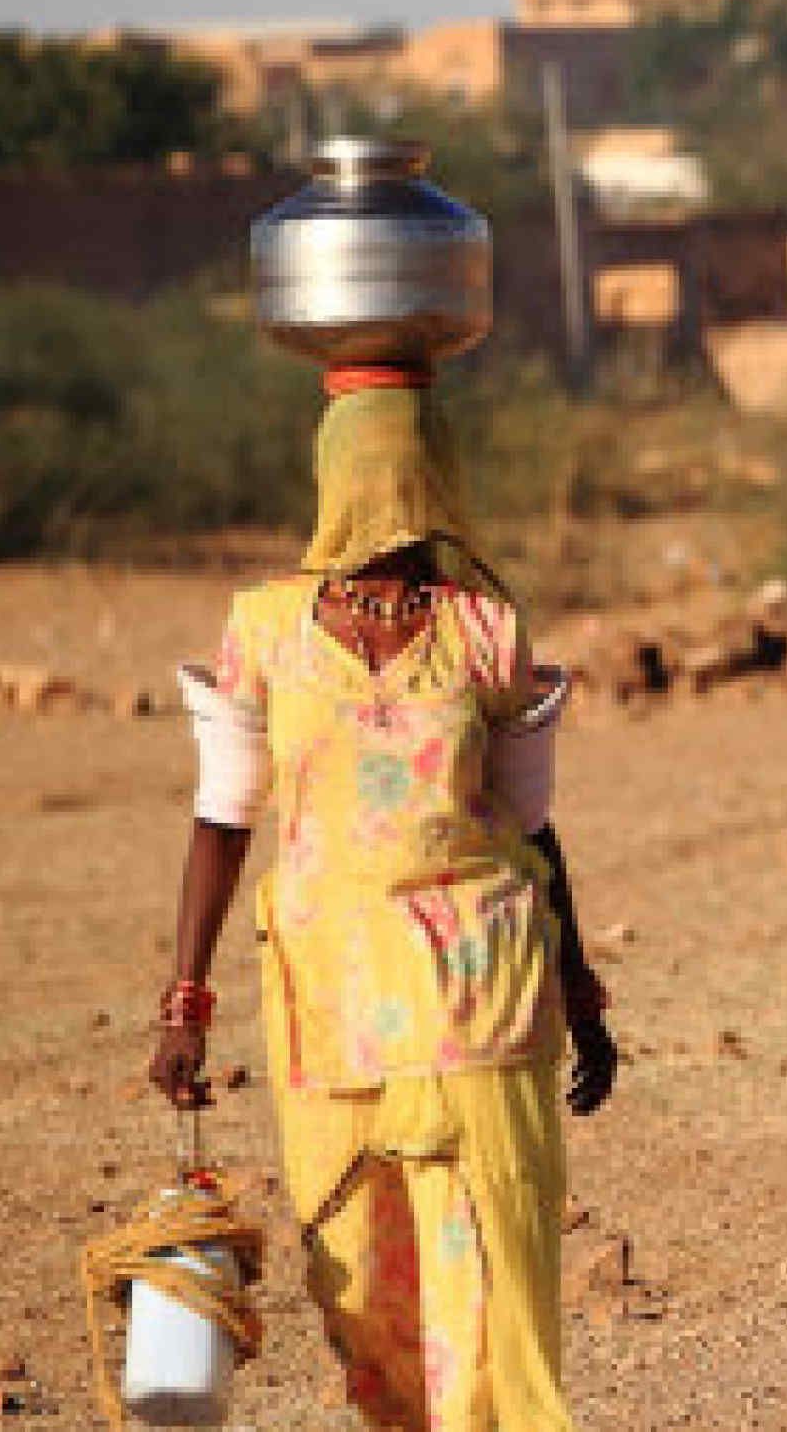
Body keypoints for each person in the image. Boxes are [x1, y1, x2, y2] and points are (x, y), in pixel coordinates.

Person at [147, 375, 617, 1431]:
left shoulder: (484, 631)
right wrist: (184, 1001)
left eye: (408, 463)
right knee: (352, 1266)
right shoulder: (266, 630)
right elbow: (223, 817)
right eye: (365, 464)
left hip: (473, 989)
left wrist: (580, 990)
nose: (386, 488)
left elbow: (532, 831)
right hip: (328, 995)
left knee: (475, 1262)